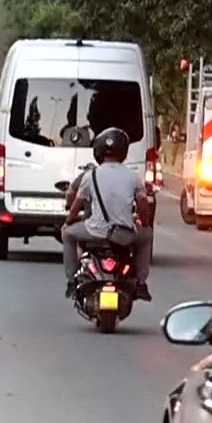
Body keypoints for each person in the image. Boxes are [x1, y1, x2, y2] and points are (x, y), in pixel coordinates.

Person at [63, 128, 155, 301]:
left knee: (67, 234)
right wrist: (145, 223)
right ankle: (141, 282)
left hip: (94, 232)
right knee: (146, 237)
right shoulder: (133, 176)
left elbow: (77, 203)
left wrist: (68, 221)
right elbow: (143, 203)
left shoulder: (90, 175)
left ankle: (71, 280)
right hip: (125, 233)